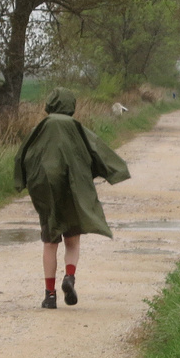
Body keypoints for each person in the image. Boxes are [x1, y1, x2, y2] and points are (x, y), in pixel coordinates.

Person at [13, 88, 130, 309]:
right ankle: (69, 277)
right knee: (72, 240)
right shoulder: (75, 127)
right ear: (71, 106)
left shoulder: (40, 127)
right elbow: (97, 150)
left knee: (50, 241)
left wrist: (21, 181)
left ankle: (49, 296)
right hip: (72, 187)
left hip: (45, 187)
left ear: (49, 104)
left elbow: (23, 155)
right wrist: (115, 171)